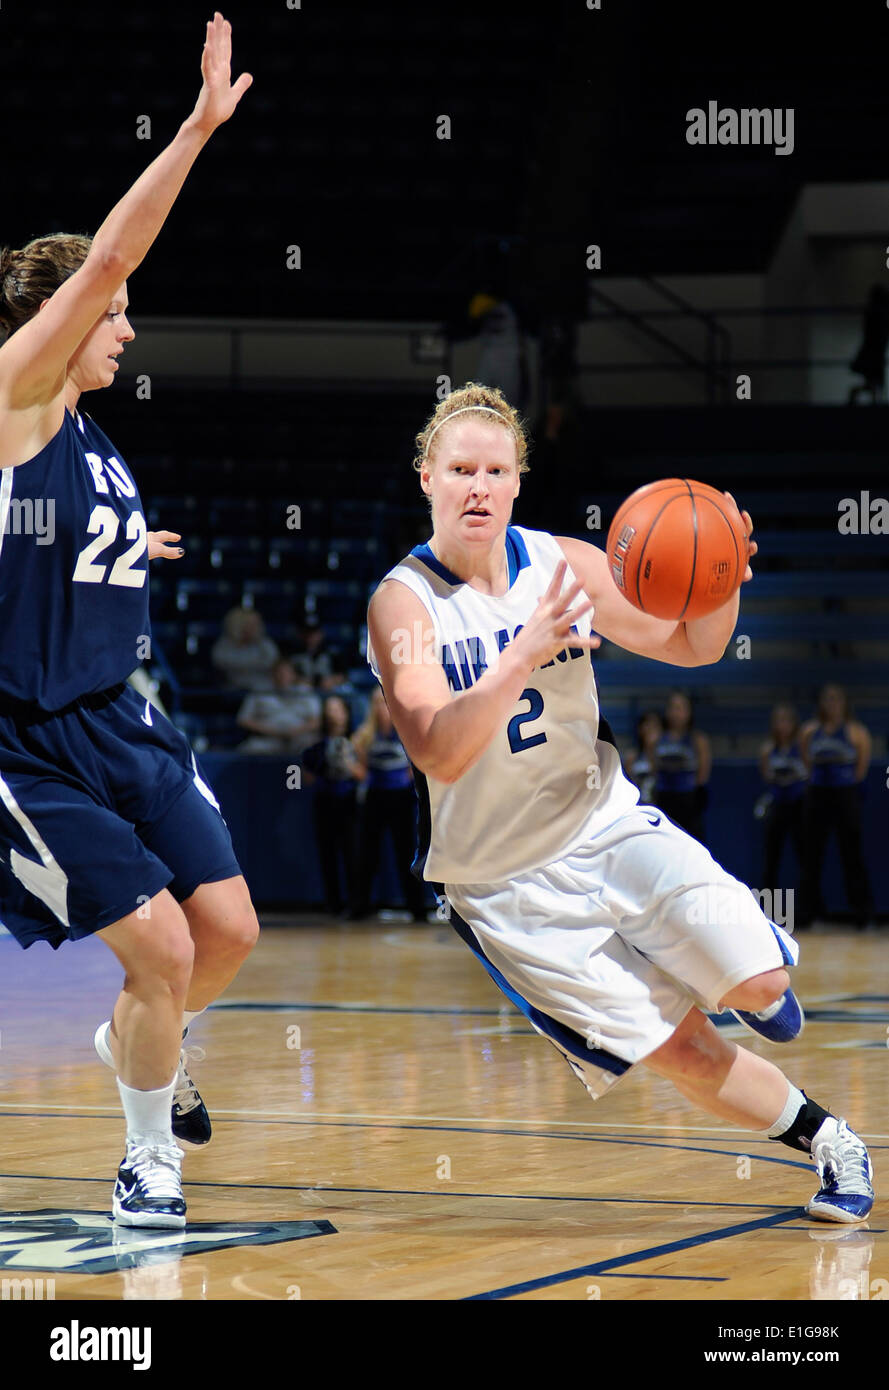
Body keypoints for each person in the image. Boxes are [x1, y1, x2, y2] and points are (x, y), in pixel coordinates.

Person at [366, 381, 873, 1224]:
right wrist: (522, 652)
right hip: (501, 885)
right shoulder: (402, 603)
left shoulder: (561, 564)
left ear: (518, 481)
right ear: (427, 477)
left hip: (601, 823)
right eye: (460, 469)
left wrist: (722, 577)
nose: (478, 487)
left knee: (760, 983)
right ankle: (831, 1142)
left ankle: (749, 979)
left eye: (495, 470)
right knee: (684, 1052)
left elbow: (689, 646)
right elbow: (435, 748)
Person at [0, 14, 257, 1229]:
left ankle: (135, 1046)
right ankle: (146, 1160)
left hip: (117, 716)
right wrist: (199, 128)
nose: (128, 327)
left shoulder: (87, 444)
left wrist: (110, 546)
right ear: (57, 321)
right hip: (24, 737)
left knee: (230, 932)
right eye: (111, 314)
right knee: (159, 950)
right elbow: (105, 263)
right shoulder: (17, 392)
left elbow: (42, 534)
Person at [798, 685, 874, 929]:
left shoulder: (856, 732)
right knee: (812, 856)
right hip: (818, 795)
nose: (831, 704)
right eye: (826, 699)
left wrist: (847, 787)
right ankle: (810, 914)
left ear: (844, 703)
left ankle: (862, 915)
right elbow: (805, 761)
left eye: (836, 699)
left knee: (851, 854)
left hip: (845, 795)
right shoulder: (810, 731)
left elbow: (861, 769)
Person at [351, 688, 428, 922]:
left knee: (406, 853)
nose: (381, 707)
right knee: (367, 854)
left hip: (401, 798)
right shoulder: (365, 734)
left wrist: (407, 778)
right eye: (376, 703)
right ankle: (359, 908)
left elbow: (418, 762)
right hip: (375, 796)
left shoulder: (405, 730)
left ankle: (417, 910)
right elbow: (359, 765)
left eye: (384, 703)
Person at [301, 696, 366, 917]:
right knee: (327, 854)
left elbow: (363, 773)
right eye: (330, 710)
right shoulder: (317, 743)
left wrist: (349, 763)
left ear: (347, 713)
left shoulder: (357, 739)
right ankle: (333, 903)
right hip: (325, 800)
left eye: (338, 709)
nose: (334, 714)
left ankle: (356, 904)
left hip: (349, 801)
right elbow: (302, 776)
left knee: (353, 854)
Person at [758, 702, 808, 912]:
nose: (783, 725)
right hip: (778, 805)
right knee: (771, 860)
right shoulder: (768, 749)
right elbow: (766, 776)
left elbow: (809, 772)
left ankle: (808, 912)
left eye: (787, 720)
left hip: (800, 805)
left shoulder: (802, 747)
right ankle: (769, 912)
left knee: (806, 860)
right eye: (779, 720)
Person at [653, 690, 711, 844]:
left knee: (692, 845)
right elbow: (653, 767)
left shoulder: (697, 739)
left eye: (680, 708)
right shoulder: (658, 738)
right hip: (664, 797)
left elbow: (703, 771)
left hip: (688, 799)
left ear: (689, 712)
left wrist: (695, 794)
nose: (676, 713)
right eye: (672, 707)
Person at [236, 656, 321, 754]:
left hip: (298, 738)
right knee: (247, 750)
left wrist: (295, 731)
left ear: (294, 674)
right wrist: (271, 731)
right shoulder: (259, 691)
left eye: (286, 672)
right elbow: (243, 720)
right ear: (272, 674)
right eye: (279, 672)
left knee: (313, 748)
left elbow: (316, 721)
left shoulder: (305, 691)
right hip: (268, 739)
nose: (283, 676)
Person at [212, 605, 280, 692]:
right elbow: (221, 662)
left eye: (257, 624)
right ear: (238, 625)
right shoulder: (224, 644)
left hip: (262, 687)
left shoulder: (265, 643)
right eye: (250, 624)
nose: (256, 628)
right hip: (232, 687)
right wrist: (255, 663)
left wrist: (243, 665)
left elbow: (273, 662)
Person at [623, 709, 662, 808]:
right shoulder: (632, 756)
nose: (650, 729)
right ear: (640, 729)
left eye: (655, 726)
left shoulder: (664, 756)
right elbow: (627, 785)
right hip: (638, 807)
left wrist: (651, 749)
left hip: (661, 806)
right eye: (647, 724)